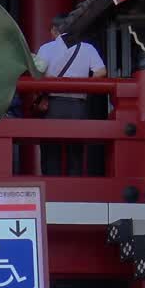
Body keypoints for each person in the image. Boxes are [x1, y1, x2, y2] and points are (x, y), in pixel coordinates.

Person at [35, 15, 107, 176]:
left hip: (52, 105)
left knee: (51, 151)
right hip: (78, 105)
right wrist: (84, 86)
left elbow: (37, 74)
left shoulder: (47, 48)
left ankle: (51, 190)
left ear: (54, 30)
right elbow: (101, 72)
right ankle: (76, 193)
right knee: (76, 152)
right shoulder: (87, 48)